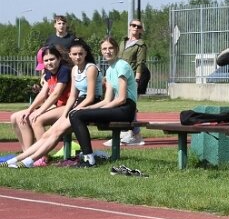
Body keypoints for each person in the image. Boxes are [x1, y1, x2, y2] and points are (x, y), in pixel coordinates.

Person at [2, 40, 101, 168]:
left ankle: (34, 160)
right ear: (70, 55)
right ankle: (20, 158)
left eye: (80, 54)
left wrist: (42, 111)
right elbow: (69, 95)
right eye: (74, 54)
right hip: (73, 105)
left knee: (50, 129)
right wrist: (31, 109)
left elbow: (86, 97)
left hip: (80, 106)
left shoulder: (78, 69)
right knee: (47, 132)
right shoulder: (74, 69)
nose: (77, 57)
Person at [69, 37, 138, 168]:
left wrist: (98, 110)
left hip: (126, 108)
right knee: (76, 113)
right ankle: (91, 155)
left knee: (76, 115)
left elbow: (122, 98)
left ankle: (89, 158)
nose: (107, 51)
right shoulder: (110, 70)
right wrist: (88, 108)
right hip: (118, 107)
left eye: (110, 48)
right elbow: (107, 99)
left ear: (117, 49)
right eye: (104, 49)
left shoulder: (122, 65)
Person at [8, 45, 72, 152]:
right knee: (16, 117)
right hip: (58, 106)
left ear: (59, 58)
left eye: (52, 59)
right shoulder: (48, 72)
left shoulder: (64, 70)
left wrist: (39, 111)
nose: (49, 62)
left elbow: (56, 94)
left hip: (67, 106)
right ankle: (27, 153)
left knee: (36, 118)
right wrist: (30, 110)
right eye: (46, 60)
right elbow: (42, 94)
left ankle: (42, 156)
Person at [105, 18, 148, 146]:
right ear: (129, 27)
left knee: (129, 105)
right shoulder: (123, 42)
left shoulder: (140, 44)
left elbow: (141, 63)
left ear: (141, 30)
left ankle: (133, 134)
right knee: (121, 105)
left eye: (138, 26)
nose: (135, 28)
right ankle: (130, 134)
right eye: (133, 25)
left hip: (131, 77)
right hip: (119, 75)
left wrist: (136, 79)